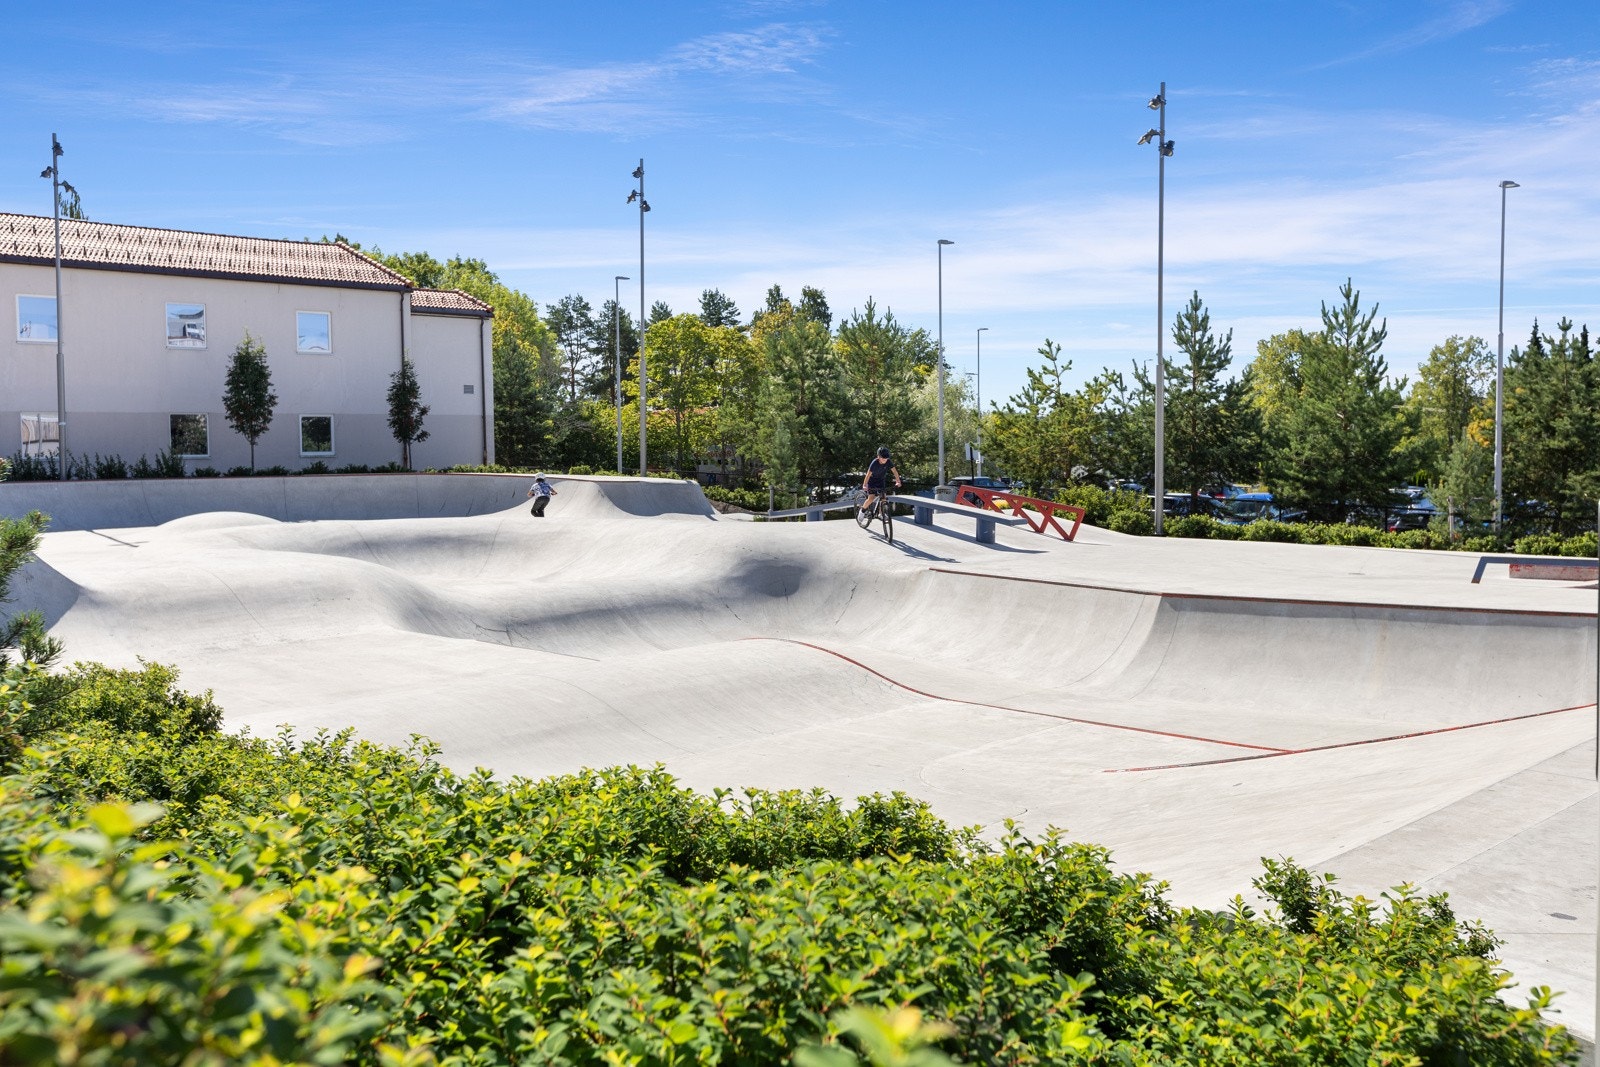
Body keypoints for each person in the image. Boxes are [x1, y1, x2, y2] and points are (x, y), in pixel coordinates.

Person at [860, 447, 902, 515]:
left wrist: (898, 481)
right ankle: (862, 511)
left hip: (881, 480)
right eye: (883, 458)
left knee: (884, 498)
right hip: (872, 480)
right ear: (878, 457)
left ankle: (881, 513)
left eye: (886, 458)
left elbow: (894, 471)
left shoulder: (888, 461)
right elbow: (868, 474)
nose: (885, 460)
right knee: (871, 498)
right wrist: (864, 485)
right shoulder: (874, 463)